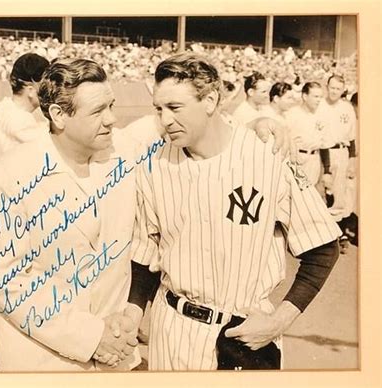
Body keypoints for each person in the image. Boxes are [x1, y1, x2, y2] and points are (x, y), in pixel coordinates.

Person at [124, 53, 341, 371]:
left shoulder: (268, 155)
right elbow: (145, 257)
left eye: (175, 107)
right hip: (171, 332)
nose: (165, 119)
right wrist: (135, 311)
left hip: (245, 336)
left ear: (210, 100)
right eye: (159, 108)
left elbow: (323, 249)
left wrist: (279, 321)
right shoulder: (153, 165)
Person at [0, 58, 141, 371]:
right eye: (98, 111)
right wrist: (92, 336)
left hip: (117, 358)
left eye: (112, 105)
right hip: (45, 362)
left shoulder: (126, 152)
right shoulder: (11, 173)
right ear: (58, 115)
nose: (112, 119)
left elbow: (169, 128)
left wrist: (260, 123)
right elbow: (9, 282)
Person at [0, 52, 50, 371]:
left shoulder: (5, 108)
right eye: (45, 84)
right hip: (8, 216)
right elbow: (56, 145)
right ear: (32, 87)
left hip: (0, 209)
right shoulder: (19, 121)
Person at [0, 53, 50, 180]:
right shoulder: (20, 120)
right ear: (31, 90)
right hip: (9, 192)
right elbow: (56, 151)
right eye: (45, 86)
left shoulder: (3, 106)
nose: (49, 91)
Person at [317, 75, 357, 249]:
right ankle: (319, 234)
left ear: (343, 90)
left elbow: (352, 137)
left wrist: (352, 161)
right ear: (327, 87)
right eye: (332, 88)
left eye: (338, 89)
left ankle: (338, 233)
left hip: (341, 152)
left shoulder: (347, 108)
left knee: (339, 193)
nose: (334, 91)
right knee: (322, 192)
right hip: (322, 152)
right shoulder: (320, 105)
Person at [284, 81, 330, 187]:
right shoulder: (292, 114)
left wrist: (327, 169)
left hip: (315, 159)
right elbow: (285, 141)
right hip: (297, 160)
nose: (319, 100)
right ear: (305, 96)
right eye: (315, 96)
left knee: (311, 196)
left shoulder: (321, 116)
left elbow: (324, 144)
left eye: (320, 97)